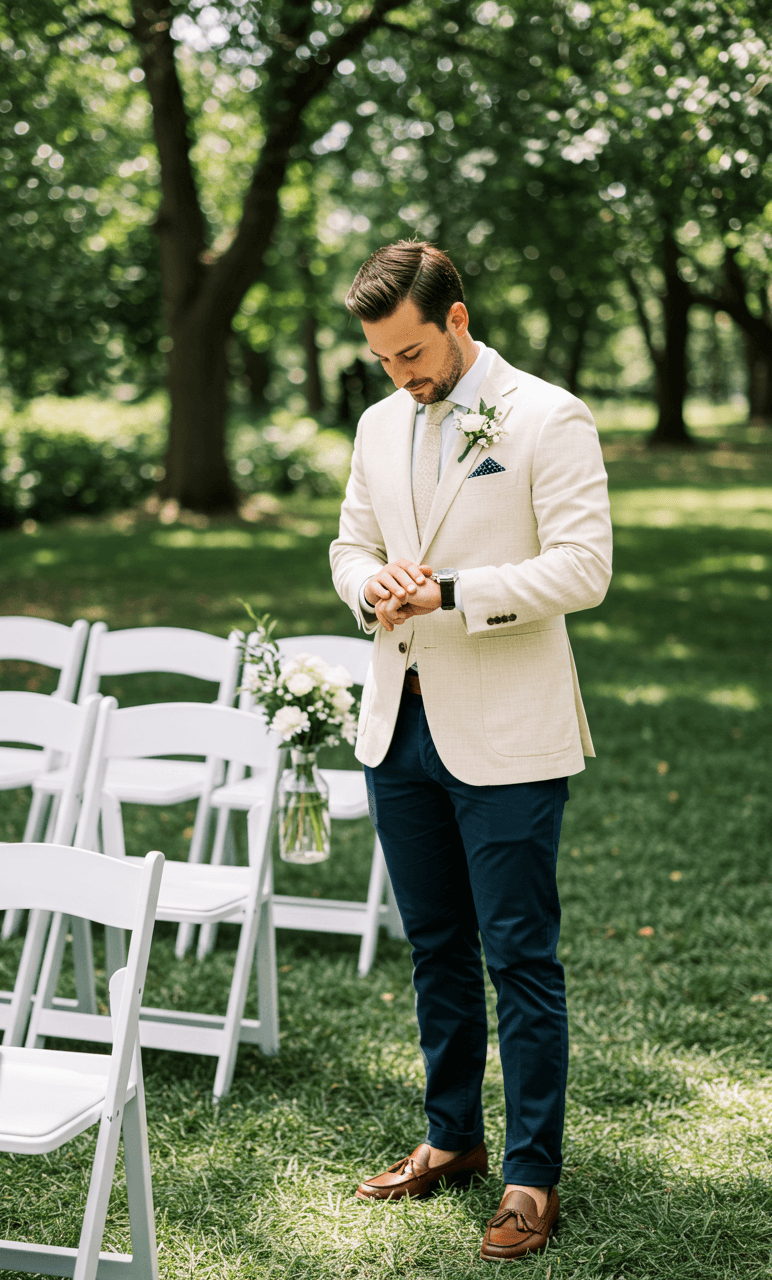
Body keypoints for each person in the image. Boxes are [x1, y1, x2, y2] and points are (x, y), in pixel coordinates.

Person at [329, 241, 612, 1262]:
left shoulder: (546, 414)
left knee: (518, 954)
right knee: (434, 944)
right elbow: (347, 541)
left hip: (507, 729)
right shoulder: (374, 422)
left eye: (409, 351)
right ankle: (449, 1134)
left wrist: (451, 590)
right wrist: (368, 585)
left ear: (455, 318)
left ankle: (530, 1174)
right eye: (381, 359)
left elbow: (584, 567)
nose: (398, 375)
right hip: (394, 722)